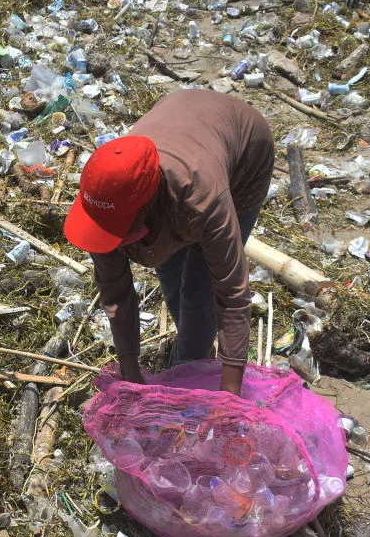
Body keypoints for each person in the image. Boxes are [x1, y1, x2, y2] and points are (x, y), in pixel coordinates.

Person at [63, 89, 274, 397]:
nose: (112, 241)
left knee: (200, 289)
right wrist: (129, 367)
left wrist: (229, 395)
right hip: (181, 117)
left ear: (149, 206)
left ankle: (191, 371)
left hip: (246, 154)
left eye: (121, 230)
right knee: (170, 272)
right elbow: (116, 292)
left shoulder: (202, 199)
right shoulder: (103, 201)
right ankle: (195, 356)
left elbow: (230, 296)